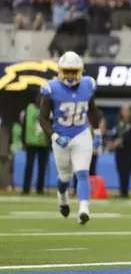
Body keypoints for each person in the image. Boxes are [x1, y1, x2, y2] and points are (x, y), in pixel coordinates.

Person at [38, 51, 102, 225]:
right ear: (60, 71)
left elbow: (92, 109)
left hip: (81, 133)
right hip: (61, 136)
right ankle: (62, 196)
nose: (70, 75)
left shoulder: (88, 85)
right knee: (65, 177)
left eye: (74, 71)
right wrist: (55, 136)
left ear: (80, 71)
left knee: (82, 172)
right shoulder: (51, 88)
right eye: (67, 71)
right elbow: (42, 118)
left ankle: (83, 209)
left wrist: (96, 131)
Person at [108, 104, 131, 198]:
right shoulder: (118, 122)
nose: (125, 112)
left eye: (127, 110)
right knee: (121, 171)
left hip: (130, 150)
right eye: (123, 110)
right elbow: (114, 133)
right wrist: (112, 143)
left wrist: (120, 141)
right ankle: (123, 191)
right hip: (120, 151)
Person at [21, 94, 50, 195]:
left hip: (42, 142)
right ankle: (27, 188)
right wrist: (23, 140)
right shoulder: (30, 108)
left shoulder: (46, 109)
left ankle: (39, 189)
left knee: (41, 167)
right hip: (32, 142)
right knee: (30, 166)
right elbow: (24, 125)